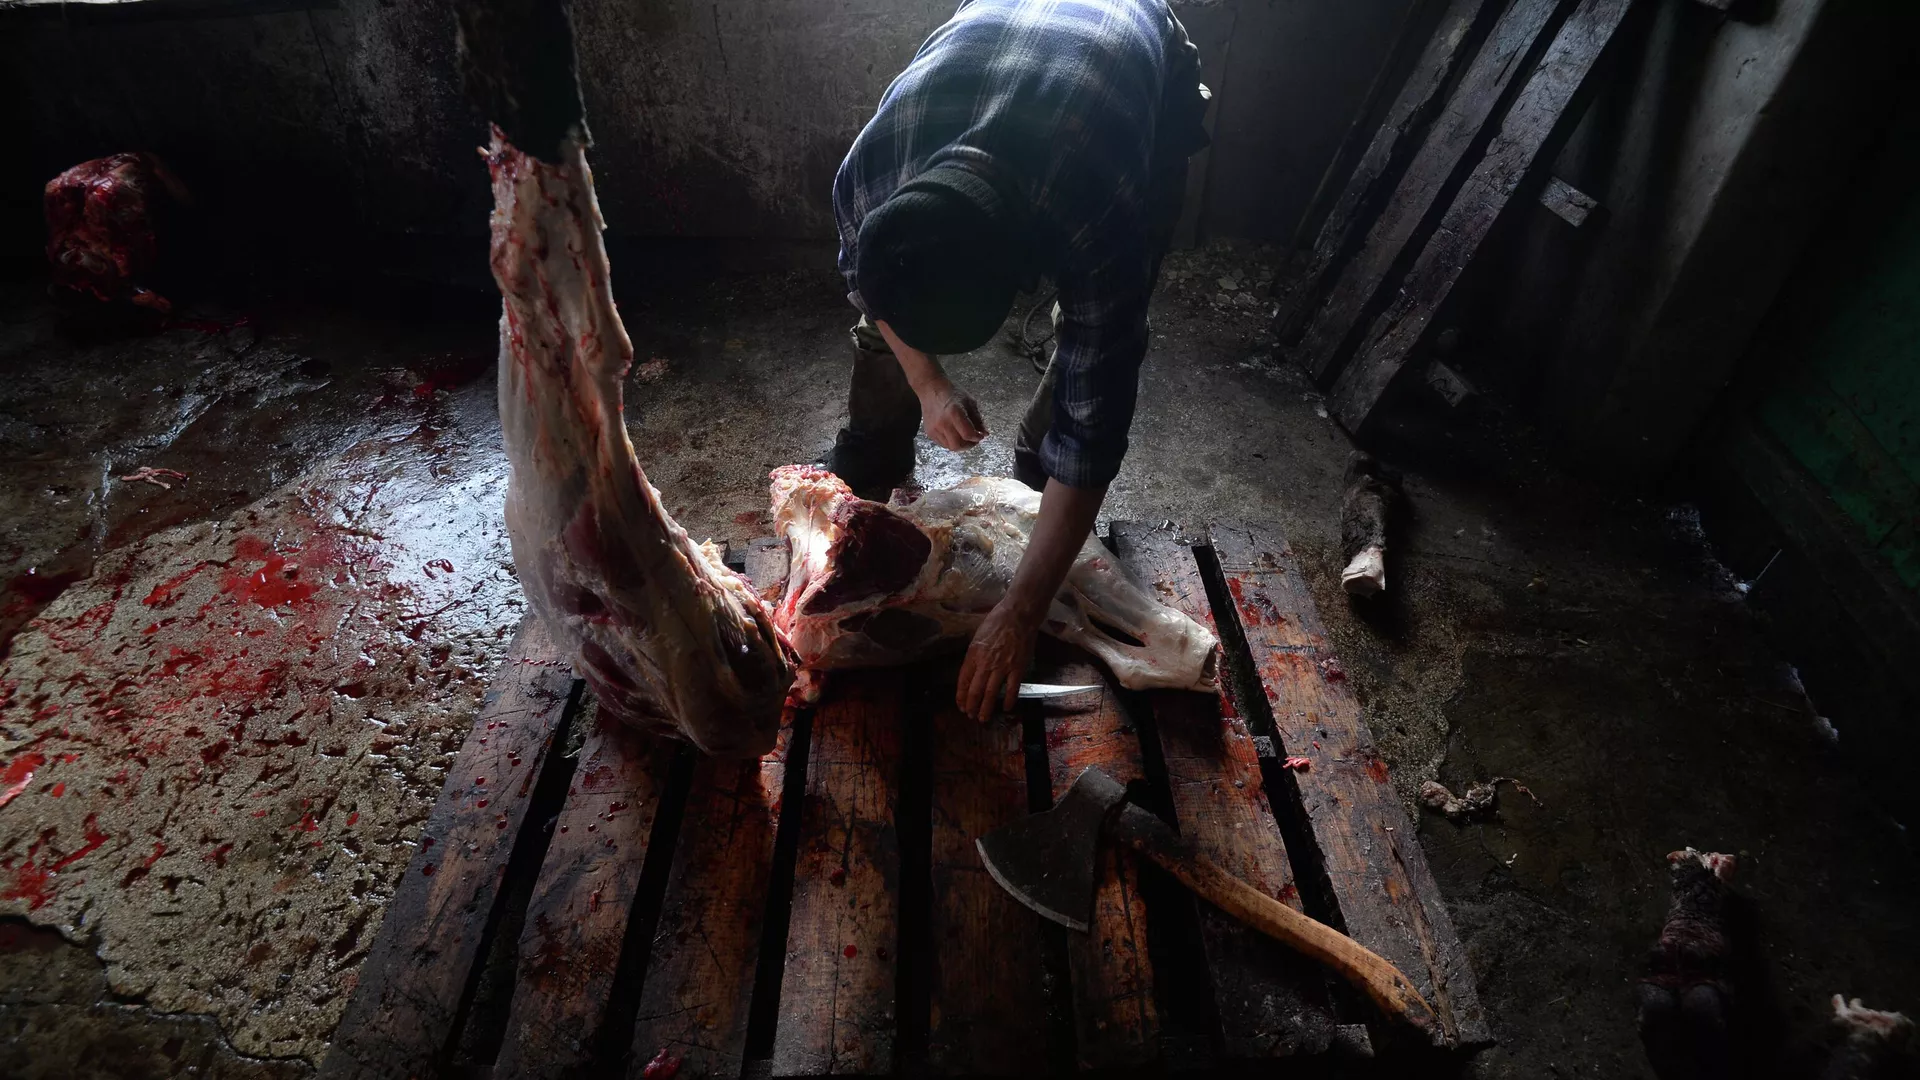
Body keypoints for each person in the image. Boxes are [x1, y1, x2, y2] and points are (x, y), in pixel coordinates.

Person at [826, 0, 1210, 723]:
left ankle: (1037, 465)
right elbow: (866, 281)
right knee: (891, 317)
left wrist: (1019, 612)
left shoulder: (1098, 216)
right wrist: (928, 382)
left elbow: (1096, 427)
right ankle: (876, 441)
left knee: (1089, 349)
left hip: (1131, 61)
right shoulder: (869, 174)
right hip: (1008, 38)